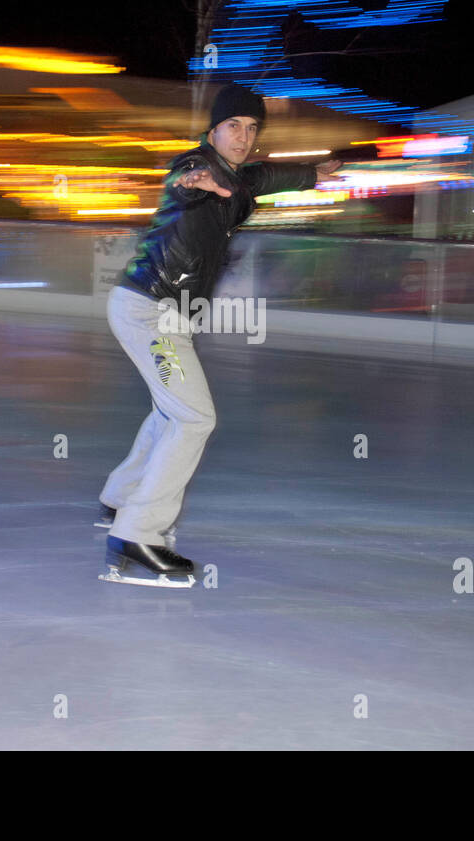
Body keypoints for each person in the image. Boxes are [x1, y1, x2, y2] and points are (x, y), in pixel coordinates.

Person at [96, 83, 342, 587]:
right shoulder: (197, 168)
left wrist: (313, 174)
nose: (244, 136)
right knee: (193, 418)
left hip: (167, 314)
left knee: (169, 411)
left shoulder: (239, 176)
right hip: (151, 311)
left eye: (252, 128)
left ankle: (119, 497)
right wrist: (196, 182)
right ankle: (138, 535)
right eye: (235, 126)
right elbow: (183, 180)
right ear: (213, 130)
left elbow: (267, 173)